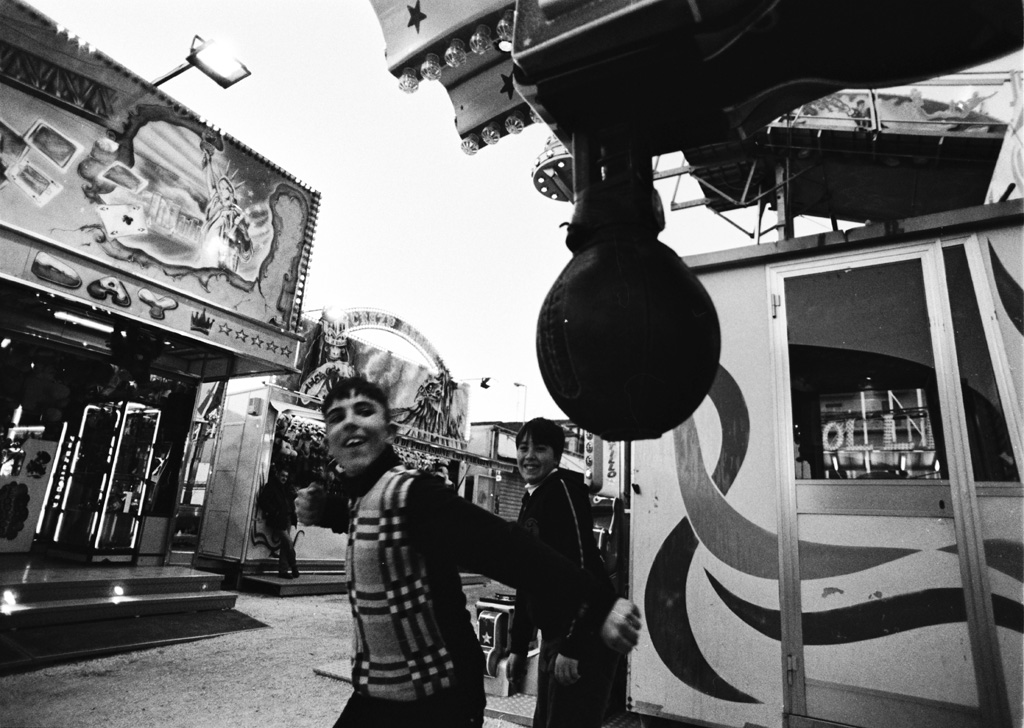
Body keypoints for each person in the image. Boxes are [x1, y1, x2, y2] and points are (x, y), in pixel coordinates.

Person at [295, 376, 642, 728]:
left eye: (364, 410)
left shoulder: (414, 493)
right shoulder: (369, 496)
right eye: (336, 417)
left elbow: (505, 548)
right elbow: (380, 524)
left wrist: (598, 605)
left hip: (433, 701)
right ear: (328, 439)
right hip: (383, 693)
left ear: (390, 430)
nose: (350, 421)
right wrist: (327, 511)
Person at [506, 418, 620, 728]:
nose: (529, 456)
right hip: (556, 637)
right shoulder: (533, 498)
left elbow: (584, 571)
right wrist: (518, 646)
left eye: (539, 449)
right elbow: (526, 576)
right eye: (523, 448)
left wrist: (574, 646)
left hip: (581, 637)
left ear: (556, 456)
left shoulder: (562, 492)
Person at [259, 463, 300, 579]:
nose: (284, 478)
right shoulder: (271, 486)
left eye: (286, 476)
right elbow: (262, 500)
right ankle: (293, 565)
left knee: (285, 545)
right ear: (277, 474)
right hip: (278, 519)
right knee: (288, 542)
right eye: (283, 475)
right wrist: (274, 512)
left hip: (287, 518)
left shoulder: (286, 488)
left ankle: (283, 570)